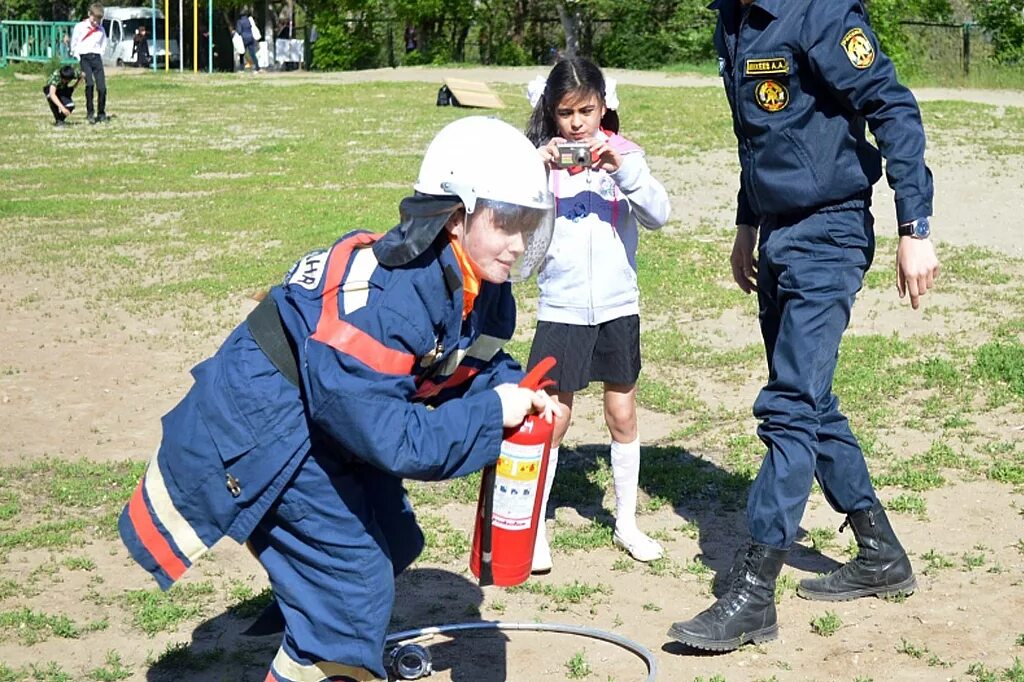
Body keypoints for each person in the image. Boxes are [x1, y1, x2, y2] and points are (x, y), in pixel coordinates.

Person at [117, 116, 561, 682]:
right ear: (454, 218)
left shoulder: (484, 286)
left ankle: (314, 616)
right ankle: (321, 637)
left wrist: (513, 388)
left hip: (329, 413)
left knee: (394, 538)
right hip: (269, 423)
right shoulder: (392, 299)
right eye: (506, 224)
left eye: (529, 225)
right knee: (353, 589)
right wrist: (494, 413)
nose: (519, 244)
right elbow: (398, 440)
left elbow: (469, 366)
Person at [667, 0, 941, 652]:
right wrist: (745, 221)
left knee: (788, 407)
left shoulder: (818, 11)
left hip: (831, 229)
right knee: (809, 398)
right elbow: (755, 132)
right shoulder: (733, 19)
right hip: (778, 232)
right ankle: (880, 552)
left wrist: (915, 227)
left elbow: (893, 107)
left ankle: (754, 592)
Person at [523, 56, 671, 574]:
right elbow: (518, 235)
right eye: (566, 113)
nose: (578, 123)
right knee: (552, 419)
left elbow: (659, 214)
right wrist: (535, 171)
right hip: (561, 308)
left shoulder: (626, 156)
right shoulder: (537, 162)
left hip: (616, 306)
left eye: (587, 110)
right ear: (551, 112)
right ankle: (534, 525)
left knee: (622, 415)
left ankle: (627, 523)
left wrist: (622, 170)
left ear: (604, 107)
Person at [70, 2, 108, 123]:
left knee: (102, 87)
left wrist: (99, 53)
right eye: (94, 18)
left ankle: (101, 112)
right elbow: (74, 43)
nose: (96, 22)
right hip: (84, 58)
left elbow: (103, 44)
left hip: (96, 58)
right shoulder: (80, 27)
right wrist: (78, 57)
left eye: (98, 20)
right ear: (89, 14)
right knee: (90, 84)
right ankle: (90, 112)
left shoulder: (101, 30)